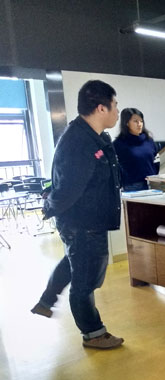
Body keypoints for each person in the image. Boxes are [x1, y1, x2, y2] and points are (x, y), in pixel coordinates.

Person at [30, 80, 124, 350]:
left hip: (87, 221)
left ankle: (46, 300)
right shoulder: (79, 142)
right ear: (100, 108)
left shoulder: (96, 137)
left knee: (76, 261)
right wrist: (49, 208)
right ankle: (93, 333)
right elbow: (68, 188)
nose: (117, 111)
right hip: (82, 222)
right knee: (85, 281)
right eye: (114, 105)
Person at [113, 108, 158, 191]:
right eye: (135, 121)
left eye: (141, 121)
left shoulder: (149, 141)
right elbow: (115, 167)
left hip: (153, 184)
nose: (139, 124)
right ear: (126, 123)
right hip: (133, 186)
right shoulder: (118, 144)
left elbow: (156, 162)